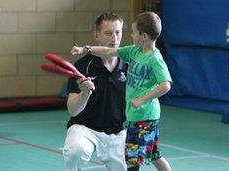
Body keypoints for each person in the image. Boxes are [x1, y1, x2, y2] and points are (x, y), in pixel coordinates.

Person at [72, 11, 172, 171]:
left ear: (144, 36)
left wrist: (142, 100)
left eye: (134, 32)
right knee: (152, 154)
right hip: (135, 116)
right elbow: (108, 51)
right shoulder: (134, 51)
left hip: (145, 116)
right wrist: (86, 49)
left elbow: (166, 85)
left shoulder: (155, 59)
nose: (131, 35)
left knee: (134, 159)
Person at [63, 12, 128, 171]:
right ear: (97, 35)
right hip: (85, 128)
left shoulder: (130, 65)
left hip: (118, 131)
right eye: (108, 33)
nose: (114, 38)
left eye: (118, 32)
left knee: (131, 166)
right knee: (75, 152)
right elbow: (73, 110)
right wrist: (85, 93)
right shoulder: (82, 66)